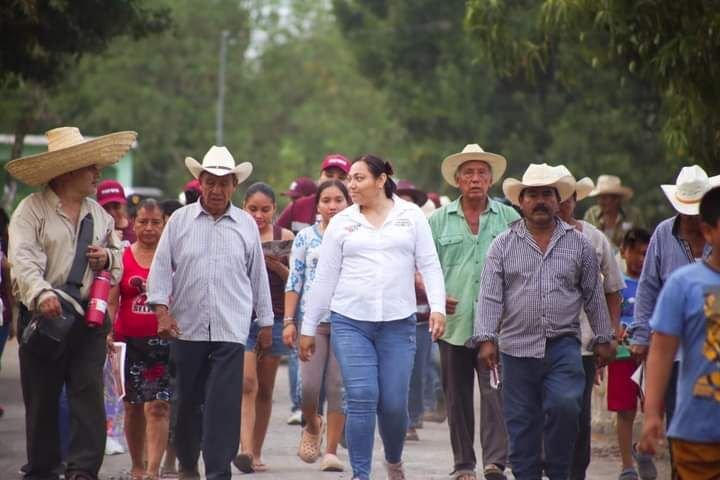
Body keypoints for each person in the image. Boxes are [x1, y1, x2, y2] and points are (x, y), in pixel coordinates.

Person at [301, 155, 447, 480]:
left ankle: (393, 460)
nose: (351, 184)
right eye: (349, 178)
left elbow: (429, 264)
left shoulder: (410, 216)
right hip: (350, 322)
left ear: (381, 181)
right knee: (362, 396)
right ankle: (361, 474)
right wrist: (308, 327)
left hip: (398, 324)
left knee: (395, 405)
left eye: (358, 178)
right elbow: (324, 278)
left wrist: (437, 307)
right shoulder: (342, 221)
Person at [470, 163, 616, 480]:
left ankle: (559, 471)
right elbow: (490, 295)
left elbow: (593, 294)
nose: (540, 201)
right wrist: (485, 338)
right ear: (520, 202)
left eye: (547, 194)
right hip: (516, 348)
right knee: (521, 422)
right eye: (532, 194)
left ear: (557, 199)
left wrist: (605, 337)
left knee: (566, 406)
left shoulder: (579, 244)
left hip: (563, 346)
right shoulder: (502, 245)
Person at [8, 126, 130, 480]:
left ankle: (83, 471)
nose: (97, 174)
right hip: (43, 319)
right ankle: (45, 469)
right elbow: (24, 260)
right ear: (68, 171)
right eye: (90, 167)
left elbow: (118, 259)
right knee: (42, 400)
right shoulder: (30, 211)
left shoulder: (99, 214)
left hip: (88, 320)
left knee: (87, 395)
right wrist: (42, 293)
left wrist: (106, 259)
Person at [147, 146, 273, 480]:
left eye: (224, 183)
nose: (216, 190)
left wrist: (266, 323)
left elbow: (258, 276)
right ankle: (188, 463)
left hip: (231, 330)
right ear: (199, 183)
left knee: (223, 407)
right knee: (186, 403)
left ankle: (218, 472)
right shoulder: (180, 222)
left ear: (234, 185)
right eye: (210, 182)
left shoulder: (245, 224)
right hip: (186, 330)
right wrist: (161, 311)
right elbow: (160, 270)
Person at [428, 144, 518, 480]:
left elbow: (521, 266)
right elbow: (424, 266)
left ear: (491, 179)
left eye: (482, 173)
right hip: (454, 323)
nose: (475, 179)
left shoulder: (510, 219)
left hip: (497, 325)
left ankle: (495, 462)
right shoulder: (437, 221)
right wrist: (437, 297)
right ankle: (463, 464)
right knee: (457, 398)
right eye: (468, 173)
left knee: (495, 393)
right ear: (457, 180)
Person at [628, 165, 718, 465]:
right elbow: (648, 287)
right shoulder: (663, 235)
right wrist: (641, 334)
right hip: (678, 350)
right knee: (683, 423)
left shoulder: (715, 236)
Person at [553, 166, 624, 480]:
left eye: (567, 198)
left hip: (582, 342)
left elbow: (613, 293)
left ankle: (575, 473)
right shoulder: (527, 239)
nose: (561, 205)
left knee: (577, 415)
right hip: (539, 341)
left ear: (575, 200)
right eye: (555, 197)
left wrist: (606, 336)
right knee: (547, 411)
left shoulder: (594, 240)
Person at [283, 180, 351, 472]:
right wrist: (289, 321)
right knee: (307, 389)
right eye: (326, 200)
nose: (333, 206)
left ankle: (332, 451)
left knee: (338, 388)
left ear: (348, 203)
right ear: (318, 204)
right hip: (312, 324)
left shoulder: (356, 235)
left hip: (348, 322)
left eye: (338, 200)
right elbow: (294, 281)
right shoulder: (305, 238)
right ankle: (313, 423)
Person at [107, 199, 170, 480]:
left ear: (164, 224)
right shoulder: (122, 258)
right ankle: (137, 466)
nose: (149, 228)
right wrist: (106, 332)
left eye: (155, 222)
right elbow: (111, 302)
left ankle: (153, 470)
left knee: (158, 406)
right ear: (134, 223)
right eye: (143, 222)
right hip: (126, 343)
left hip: (163, 343)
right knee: (132, 408)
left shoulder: (173, 259)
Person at [234, 182, 294, 473]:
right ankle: (244, 449)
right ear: (243, 207)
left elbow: (295, 282)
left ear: (275, 210)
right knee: (247, 384)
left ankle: (256, 450)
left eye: (265, 210)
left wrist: (276, 265)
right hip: (242, 317)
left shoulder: (286, 237)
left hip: (277, 316)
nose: (259, 215)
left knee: (265, 389)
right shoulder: (234, 234)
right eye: (253, 209)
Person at [606, 228, 655, 480]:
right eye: (635, 253)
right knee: (625, 410)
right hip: (623, 356)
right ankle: (627, 465)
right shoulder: (617, 286)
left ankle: (644, 448)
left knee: (653, 406)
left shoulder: (656, 284)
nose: (640, 259)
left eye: (646, 254)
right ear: (623, 252)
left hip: (650, 356)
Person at [395, 180, 432, 443]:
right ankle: (401, 419)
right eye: (401, 199)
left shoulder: (425, 233)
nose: (405, 205)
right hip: (393, 315)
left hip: (422, 316)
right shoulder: (385, 233)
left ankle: (413, 415)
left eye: (411, 200)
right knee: (398, 371)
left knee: (418, 370)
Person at [277, 154, 351, 234]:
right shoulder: (298, 206)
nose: (334, 180)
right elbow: (275, 234)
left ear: (350, 181)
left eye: (341, 178)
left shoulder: (358, 207)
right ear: (320, 177)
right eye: (329, 175)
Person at [583, 174, 643, 250]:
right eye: (599, 197)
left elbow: (642, 241)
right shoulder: (591, 214)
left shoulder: (633, 215)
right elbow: (584, 240)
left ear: (616, 199)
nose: (601, 202)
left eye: (605, 198)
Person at [97, 179, 133, 243]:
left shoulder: (135, 231)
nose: (112, 212)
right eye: (105, 208)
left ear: (124, 205)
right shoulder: (95, 232)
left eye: (116, 206)